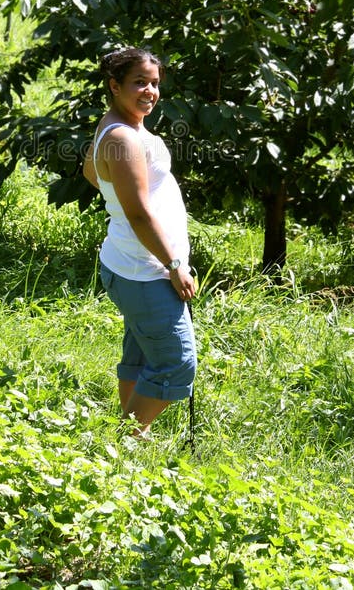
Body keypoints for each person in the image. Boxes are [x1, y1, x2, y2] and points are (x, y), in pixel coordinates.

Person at [83, 47, 197, 438]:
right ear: (115, 86)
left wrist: (118, 193)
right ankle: (126, 442)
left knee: (140, 355)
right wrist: (174, 264)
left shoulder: (115, 126)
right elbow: (139, 214)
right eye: (139, 83)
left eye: (154, 83)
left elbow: (90, 171)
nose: (150, 91)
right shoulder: (123, 138)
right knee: (176, 363)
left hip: (131, 263)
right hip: (145, 270)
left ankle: (131, 439)